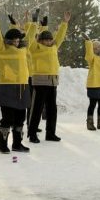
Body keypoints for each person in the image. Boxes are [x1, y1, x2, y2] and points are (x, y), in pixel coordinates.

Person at [0, 6, 31, 154]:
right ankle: (3, 145)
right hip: (7, 87)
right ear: (8, 41)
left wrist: (35, 22)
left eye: (18, 40)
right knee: (7, 119)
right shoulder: (1, 49)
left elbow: (30, 34)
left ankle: (17, 144)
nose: (17, 42)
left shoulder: (23, 49)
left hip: (22, 87)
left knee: (20, 118)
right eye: (14, 40)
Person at [27, 12, 70, 143]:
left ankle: (50, 133)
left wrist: (65, 23)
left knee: (52, 109)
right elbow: (29, 38)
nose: (49, 41)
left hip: (52, 81)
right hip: (40, 81)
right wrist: (34, 23)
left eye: (50, 39)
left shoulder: (54, 47)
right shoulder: (35, 48)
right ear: (40, 40)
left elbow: (60, 36)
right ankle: (32, 133)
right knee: (37, 109)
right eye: (46, 39)